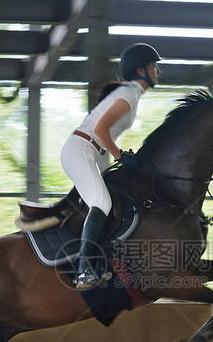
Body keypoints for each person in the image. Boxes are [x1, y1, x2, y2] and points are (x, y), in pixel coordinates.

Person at [61, 42, 162, 291]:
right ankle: (84, 270)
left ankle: (96, 262)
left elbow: (103, 132)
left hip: (86, 152)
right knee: (102, 204)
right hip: (80, 150)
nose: (158, 71)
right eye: (154, 66)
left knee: (106, 202)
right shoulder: (128, 94)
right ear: (141, 71)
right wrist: (118, 156)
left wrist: (120, 153)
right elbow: (99, 129)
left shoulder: (131, 94)